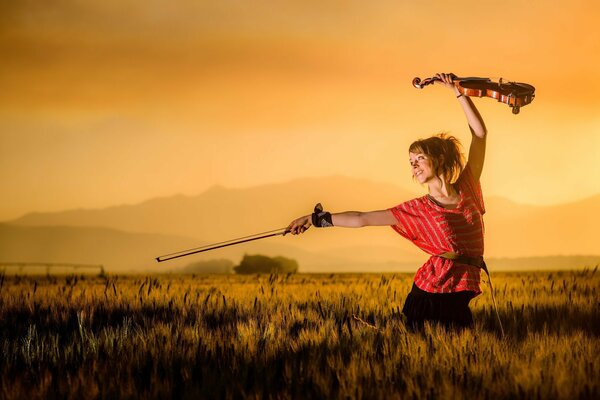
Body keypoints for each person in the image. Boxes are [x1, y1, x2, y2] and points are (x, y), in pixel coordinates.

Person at [286, 72, 488, 330]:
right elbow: (362, 219)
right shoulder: (418, 209)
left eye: (419, 159)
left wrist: (458, 92)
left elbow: (480, 135)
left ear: (438, 158)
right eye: (410, 163)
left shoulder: (468, 188)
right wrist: (314, 220)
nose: (413, 166)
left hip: (461, 289)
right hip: (431, 294)